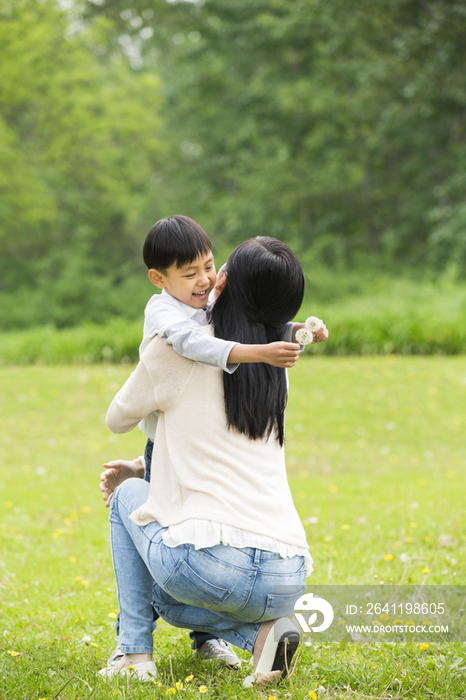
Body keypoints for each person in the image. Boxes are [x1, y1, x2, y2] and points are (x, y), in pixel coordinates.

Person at [101, 215, 328, 667]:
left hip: (212, 565)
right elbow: (216, 445)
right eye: (195, 273)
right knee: (179, 520)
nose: (208, 279)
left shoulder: (180, 349)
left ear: (227, 280)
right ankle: (263, 637)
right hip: (289, 575)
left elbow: (117, 418)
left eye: (214, 268)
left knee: (137, 514)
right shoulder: (274, 372)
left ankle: (134, 654)